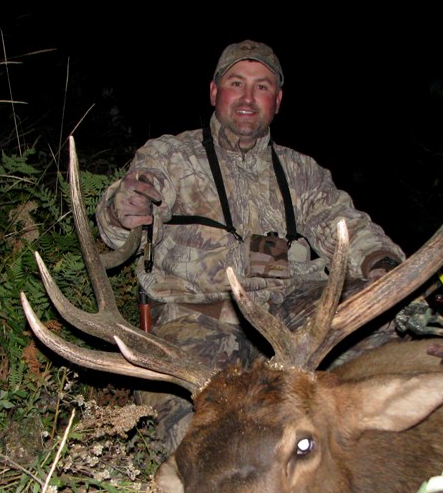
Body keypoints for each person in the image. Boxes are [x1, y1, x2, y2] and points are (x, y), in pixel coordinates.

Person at [96, 40, 404, 451]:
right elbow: (125, 219)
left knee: (383, 344)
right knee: (199, 442)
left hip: (289, 316)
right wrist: (123, 208)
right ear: (213, 92)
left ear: (277, 100)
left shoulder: (301, 172)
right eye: (236, 83)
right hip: (197, 325)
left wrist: (381, 264)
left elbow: (345, 225)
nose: (247, 97)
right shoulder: (170, 156)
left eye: (261, 87)